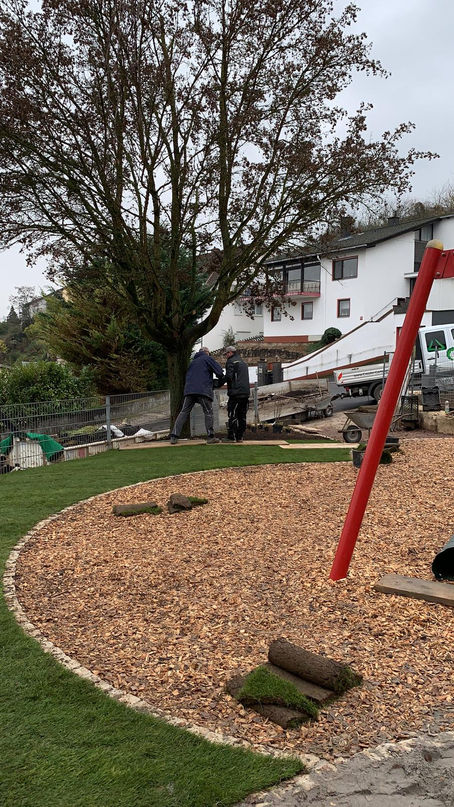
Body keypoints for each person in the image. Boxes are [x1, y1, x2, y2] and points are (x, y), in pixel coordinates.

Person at [169, 346, 225, 444]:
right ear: (207, 352)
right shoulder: (208, 358)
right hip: (203, 390)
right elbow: (219, 372)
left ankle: (174, 436)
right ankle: (210, 436)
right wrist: (219, 381)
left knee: (184, 412)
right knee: (208, 413)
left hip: (189, 391)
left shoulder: (192, 362)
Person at [223, 345, 250, 443]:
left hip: (235, 393)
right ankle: (240, 436)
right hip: (245, 393)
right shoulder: (243, 363)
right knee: (242, 415)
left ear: (230, 353)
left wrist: (219, 382)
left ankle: (232, 436)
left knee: (232, 414)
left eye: (226, 354)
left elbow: (229, 377)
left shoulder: (230, 361)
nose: (226, 356)